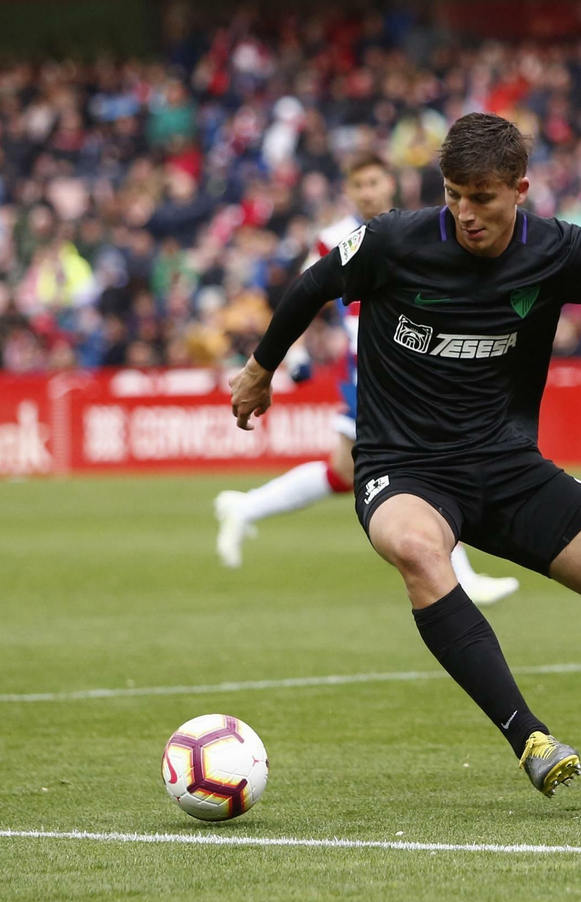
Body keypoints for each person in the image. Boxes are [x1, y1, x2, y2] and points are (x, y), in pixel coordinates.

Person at [229, 113, 581, 800]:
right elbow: (310, 288)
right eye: (453, 195)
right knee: (418, 551)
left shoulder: (557, 249)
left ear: (520, 190)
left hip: (508, 468)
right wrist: (261, 369)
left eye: (482, 197)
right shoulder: (393, 241)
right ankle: (528, 735)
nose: (465, 213)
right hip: (402, 466)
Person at [215, 154, 519, 607]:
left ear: (390, 184)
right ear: (350, 190)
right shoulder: (332, 239)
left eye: (375, 182)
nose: (368, 192)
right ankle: (463, 575)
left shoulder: (420, 227)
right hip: (374, 368)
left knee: (344, 471)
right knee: (430, 458)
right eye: (359, 184)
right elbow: (304, 300)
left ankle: (244, 507)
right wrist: (291, 354)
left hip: (408, 363)